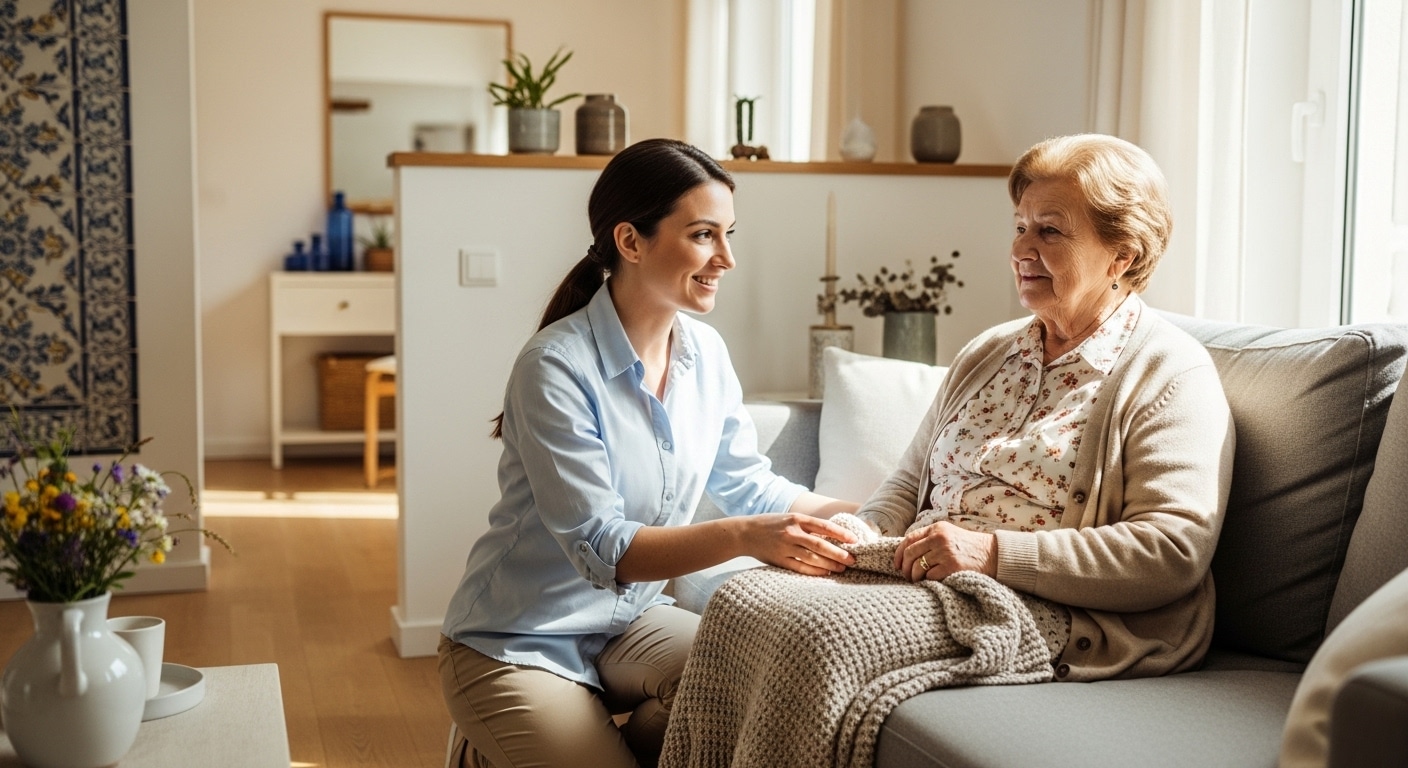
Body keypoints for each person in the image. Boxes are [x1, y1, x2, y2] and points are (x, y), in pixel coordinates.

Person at [659, 133, 1236, 767]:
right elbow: (907, 486)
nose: (1020, 250)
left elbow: (1172, 550)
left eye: (1049, 232)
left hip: (1051, 609)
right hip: (924, 576)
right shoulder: (989, 352)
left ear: (1121, 254)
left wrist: (992, 554)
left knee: (822, 633)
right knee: (746, 597)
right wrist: (860, 531)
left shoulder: (1170, 374)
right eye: (1020, 227)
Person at [437, 138, 861, 768]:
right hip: (518, 641)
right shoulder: (555, 367)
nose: (727, 258)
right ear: (630, 242)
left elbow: (749, 483)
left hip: (629, 622)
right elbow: (603, 547)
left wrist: (858, 514)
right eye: (703, 236)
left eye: (728, 234)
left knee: (753, 685)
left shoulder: (706, 354)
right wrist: (747, 536)